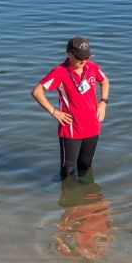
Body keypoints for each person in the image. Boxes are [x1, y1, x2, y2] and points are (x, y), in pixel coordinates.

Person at [31, 37, 110, 180]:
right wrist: (54, 112)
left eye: (86, 57)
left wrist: (103, 102)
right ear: (69, 54)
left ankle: (87, 196)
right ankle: (68, 199)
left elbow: (104, 81)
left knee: (86, 166)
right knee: (68, 170)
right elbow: (37, 92)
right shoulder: (59, 72)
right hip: (71, 129)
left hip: (92, 126)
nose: (83, 61)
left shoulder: (92, 68)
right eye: (80, 58)